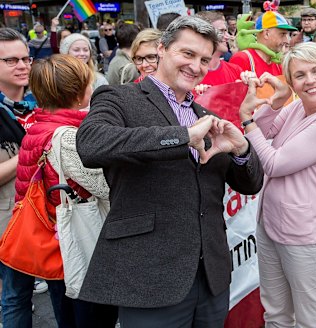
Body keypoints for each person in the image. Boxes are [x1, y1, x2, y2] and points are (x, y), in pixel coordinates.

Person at [76, 16, 263, 327]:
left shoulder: (208, 114)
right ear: (161, 49)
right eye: (187, 54)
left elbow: (250, 184)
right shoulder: (121, 97)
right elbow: (91, 144)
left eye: (204, 59)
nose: (196, 66)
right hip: (150, 276)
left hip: (212, 275)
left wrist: (241, 150)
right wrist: (183, 136)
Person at [238, 42, 316, 328]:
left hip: (306, 236)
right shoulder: (298, 107)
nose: (310, 80)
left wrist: (246, 121)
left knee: (310, 319)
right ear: (291, 82)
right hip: (271, 225)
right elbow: (266, 133)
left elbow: (273, 163)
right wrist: (278, 100)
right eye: (300, 75)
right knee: (275, 313)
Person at [8, 54, 119, 328]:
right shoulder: (66, 136)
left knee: (67, 313)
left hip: (56, 243)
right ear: (78, 93)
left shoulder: (38, 126)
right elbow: (103, 187)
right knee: (88, 317)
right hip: (76, 246)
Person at [0, 27, 41, 327]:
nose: (22, 66)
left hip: (47, 217)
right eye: (11, 61)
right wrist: (30, 150)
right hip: (9, 223)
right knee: (15, 296)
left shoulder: (39, 104)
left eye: (26, 59)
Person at [230, 11, 297, 76]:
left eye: (287, 35)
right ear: (266, 34)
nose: (287, 41)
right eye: (282, 34)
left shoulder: (277, 63)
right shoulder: (242, 59)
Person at [196, 11, 243, 86]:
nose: (227, 36)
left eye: (226, 31)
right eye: (222, 31)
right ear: (204, 34)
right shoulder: (190, 75)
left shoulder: (236, 71)